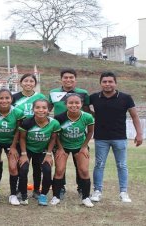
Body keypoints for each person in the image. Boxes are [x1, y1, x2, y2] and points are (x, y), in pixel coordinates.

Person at [90, 71, 143, 203]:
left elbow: (134, 116)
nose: (107, 84)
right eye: (104, 82)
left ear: (115, 83)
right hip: (101, 138)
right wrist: (95, 115)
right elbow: (84, 108)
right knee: (99, 165)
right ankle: (97, 191)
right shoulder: (94, 97)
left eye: (110, 81)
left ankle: (123, 192)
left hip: (120, 137)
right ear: (100, 83)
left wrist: (139, 133)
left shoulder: (125, 98)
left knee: (121, 165)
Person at [48, 68, 89, 199]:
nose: (68, 80)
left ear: (75, 79)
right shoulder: (53, 93)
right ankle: (60, 189)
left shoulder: (83, 93)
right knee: (60, 166)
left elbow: (87, 111)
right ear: (61, 79)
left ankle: (82, 188)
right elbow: (47, 111)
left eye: (71, 77)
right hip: (59, 135)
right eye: (65, 77)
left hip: (78, 136)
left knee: (81, 166)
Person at [51, 94, 95, 207]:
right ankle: (56, 196)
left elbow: (90, 132)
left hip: (80, 145)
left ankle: (86, 197)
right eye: (70, 103)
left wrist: (84, 147)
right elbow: (55, 135)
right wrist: (60, 149)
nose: (74, 105)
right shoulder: (59, 118)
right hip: (63, 145)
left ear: (81, 104)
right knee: (59, 170)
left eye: (77, 103)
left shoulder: (87, 117)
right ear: (66, 104)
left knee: (84, 170)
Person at [0, 89, 25, 205]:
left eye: (7, 98)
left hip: (11, 142)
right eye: (1, 98)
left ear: (11, 99)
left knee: (13, 167)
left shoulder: (17, 112)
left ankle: (13, 195)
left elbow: (18, 130)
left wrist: (13, 146)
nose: (4, 100)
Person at [18, 99, 60, 206]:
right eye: (37, 107)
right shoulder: (27, 122)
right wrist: (23, 154)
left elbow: (53, 139)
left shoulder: (54, 123)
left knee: (46, 170)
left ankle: (41, 194)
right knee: (23, 169)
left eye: (44, 108)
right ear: (33, 109)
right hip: (28, 149)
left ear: (49, 110)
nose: (41, 110)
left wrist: (49, 154)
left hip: (43, 150)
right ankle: (23, 195)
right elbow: (22, 138)